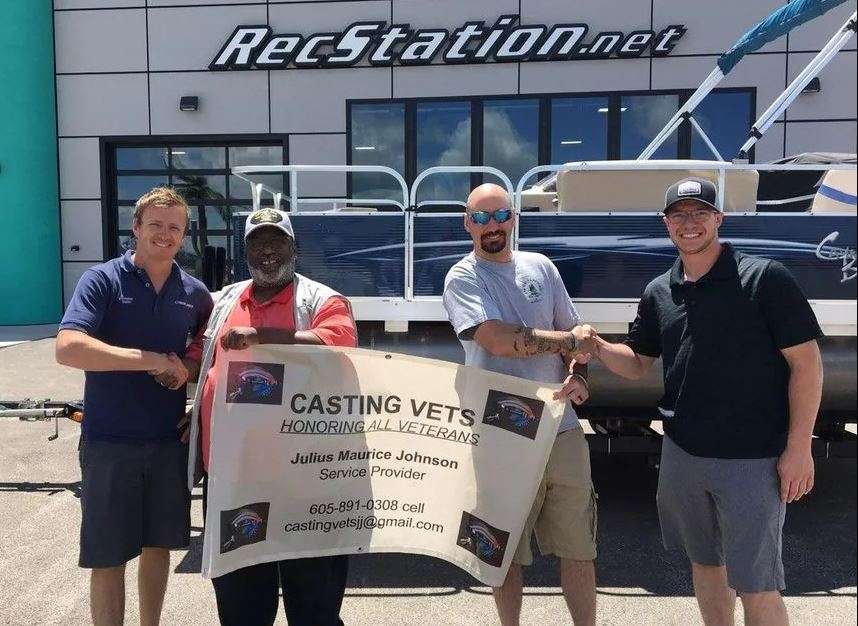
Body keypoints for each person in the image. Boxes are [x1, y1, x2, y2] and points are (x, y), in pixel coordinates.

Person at [592, 177, 823, 626]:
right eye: (679, 214)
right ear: (666, 223)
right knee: (706, 566)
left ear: (719, 218)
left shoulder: (766, 279)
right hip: (683, 454)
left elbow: (807, 366)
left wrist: (799, 449)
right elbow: (638, 361)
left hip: (753, 460)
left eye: (700, 212)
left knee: (758, 583)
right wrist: (595, 346)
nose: (689, 222)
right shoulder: (661, 289)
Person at [183, 207, 357, 626]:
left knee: (314, 604)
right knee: (241, 605)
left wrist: (261, 337)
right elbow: (197, 360)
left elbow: (338, 345)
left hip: (308, 481)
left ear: (293, 248)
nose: (267, 252)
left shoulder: (322, 299)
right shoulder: (223, 300)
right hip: (233, 478)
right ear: (246, 251)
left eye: (277, 242)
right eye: (257, 243)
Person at [55, 187, 213, 626]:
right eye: (156, 225)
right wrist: (150, 360)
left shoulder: (195, 293)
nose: (165, 234)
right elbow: (68, 347)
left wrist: (186, 368)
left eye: (175, 227)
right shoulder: (102, 280)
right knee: (108, 555)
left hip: (167, 444)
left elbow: (207, 353)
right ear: (136, 227)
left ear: (184, 235)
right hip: (109, 441)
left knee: (157, 546)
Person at [442, 183, 598, 626]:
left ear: (512, 218)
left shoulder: (541, 267)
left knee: (579, 549)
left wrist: (579, 372)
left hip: (560, 430)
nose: (492, 226)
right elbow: (495, 339)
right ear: (467, 224)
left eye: (499, 215)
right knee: (503, 550)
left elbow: (576, 335)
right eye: (481, 218)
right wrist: (569, 341)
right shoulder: (463, 277)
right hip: (500, 434)